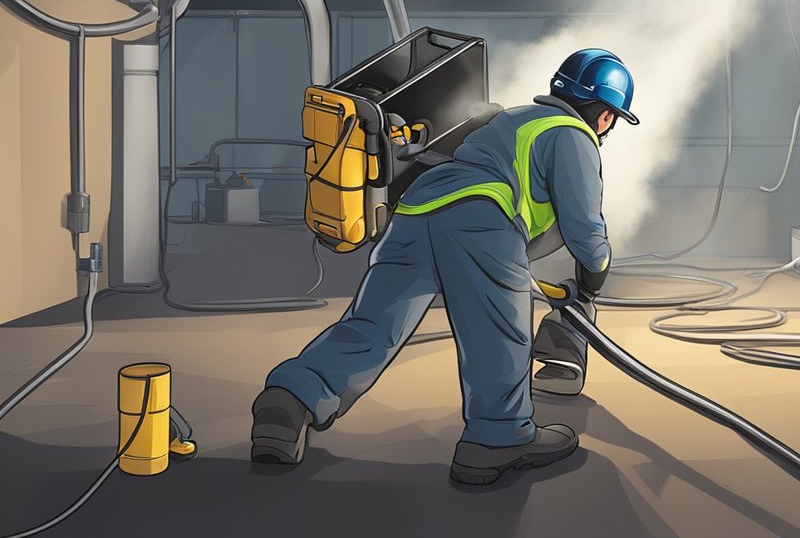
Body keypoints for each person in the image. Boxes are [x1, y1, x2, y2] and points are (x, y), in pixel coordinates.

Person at [250, 48, 638, 485]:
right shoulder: (572, 134)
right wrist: (591, 280)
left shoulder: (509, 118)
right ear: (605, 116)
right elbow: (585, 228)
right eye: (611, 121)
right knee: (497, 330)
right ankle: (498, 440)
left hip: (417, 210)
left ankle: (290, 399)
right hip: (481, 217)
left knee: (373, 325)